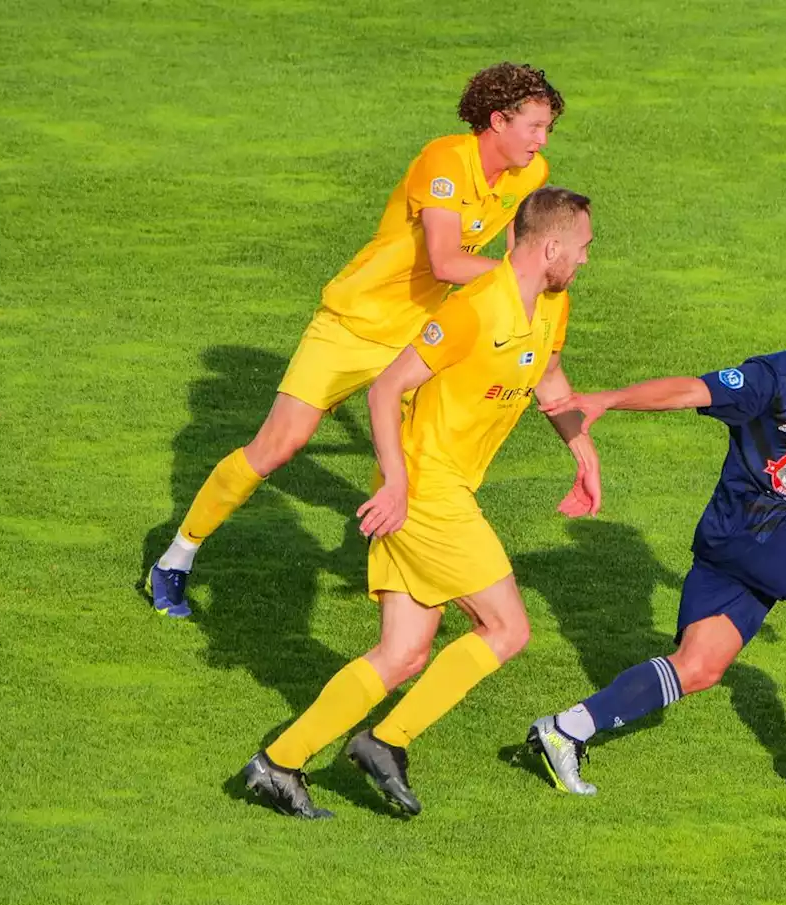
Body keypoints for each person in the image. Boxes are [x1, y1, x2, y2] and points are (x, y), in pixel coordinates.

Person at [147, 63, 563, 617]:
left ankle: (412, 580)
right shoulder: (444, 161)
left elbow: (515, 257)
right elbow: (444, 260)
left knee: (423, 456)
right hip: (353, 322)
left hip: (422, 332)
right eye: (534, 126)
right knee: (280, 445)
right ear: (497, 121)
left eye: (547, 129)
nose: (541, 141)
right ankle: (176, 558)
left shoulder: (529, 176)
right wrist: (517, 281)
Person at [243, 187, 599, 818]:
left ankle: (278, 763)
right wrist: (397, 483)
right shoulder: (472, 312)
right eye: (583, 247)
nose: (587, 260)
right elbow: (386, 389)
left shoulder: (552, 302)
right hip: (428, 492)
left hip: (440, 490)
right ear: (551, 246)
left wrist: (581, 448)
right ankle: (386, 741)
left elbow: (547, 374)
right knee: (508, 628)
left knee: (403, 654)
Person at [528, 285, 786, 794]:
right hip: (756, 524)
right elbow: (690, 390)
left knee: (699, 666)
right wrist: (607, 400)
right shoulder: (773, 380)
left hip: (733, 538)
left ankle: (564, 729)